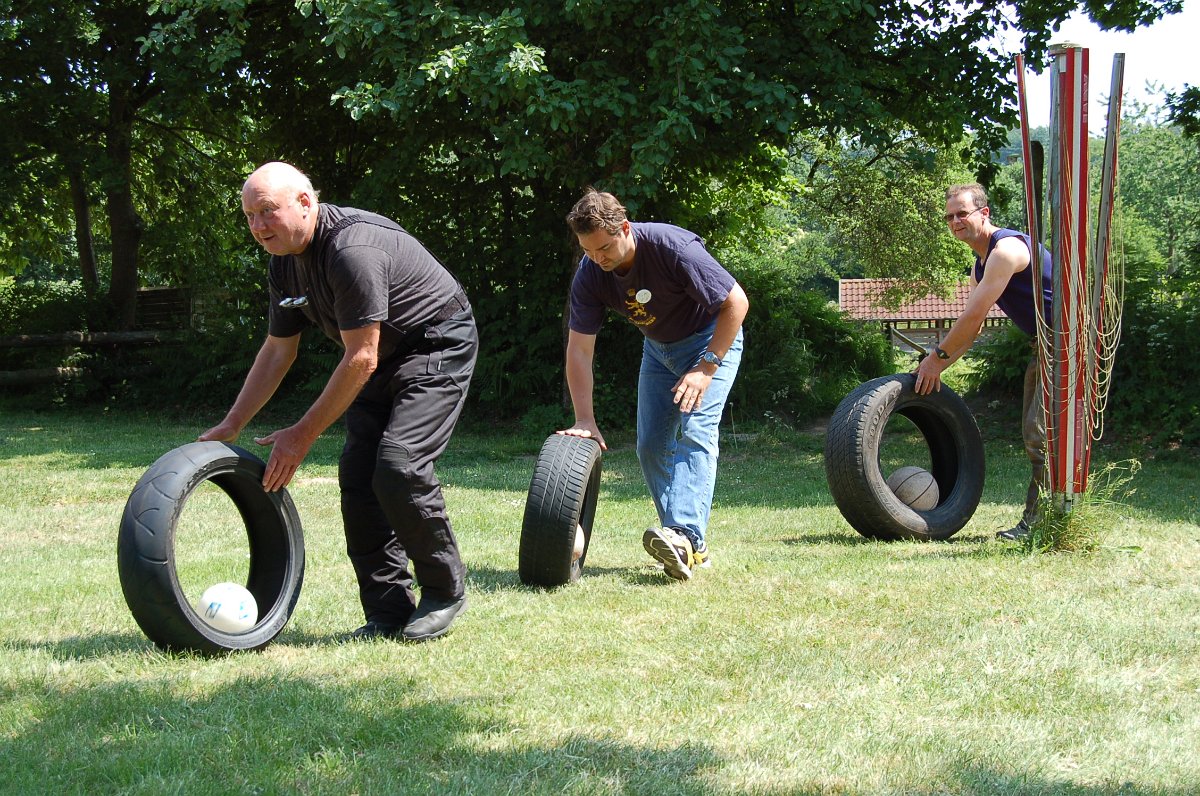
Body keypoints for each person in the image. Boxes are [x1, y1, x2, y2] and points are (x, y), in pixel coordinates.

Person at [200, 161, 477, 641]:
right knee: (358, 477)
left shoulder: (352, 249)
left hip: (435, 341)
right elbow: (278, 349)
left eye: (267, 212)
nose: (258, 227)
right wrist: (233, 422)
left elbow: (361, 357)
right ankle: (387, 612)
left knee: (399, 465)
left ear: (305, 203)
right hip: (377, 353)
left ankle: (443, 591)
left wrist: (300, 435)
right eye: (249, 216)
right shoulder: (284, 263)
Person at [559, 189, 749, 580]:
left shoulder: (672, 246)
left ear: (625, 228)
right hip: (659, 350)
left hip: (711, 342)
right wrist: (584, 419)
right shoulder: (591, 272)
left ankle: (682, 534)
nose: (599, 258)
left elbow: (737, 303)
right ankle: (688, 546)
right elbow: (579, 350)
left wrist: (706, 367)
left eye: (605, 248)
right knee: (649, 447)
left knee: (696, 430)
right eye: (588, 251)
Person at [914, 182, 1053, 541]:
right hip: (1047, 345)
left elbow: (973, 318)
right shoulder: (980, 265)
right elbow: (970, 332)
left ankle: (1042, 524)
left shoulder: (1006, 251)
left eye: (963, 213)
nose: (956, 221)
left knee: (1043, 434)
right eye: (949, 217)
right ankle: (1051, 518)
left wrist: (936, 359)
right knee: (1037, 434)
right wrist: (936, 367)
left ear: (984, 213)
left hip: (1071, 342)